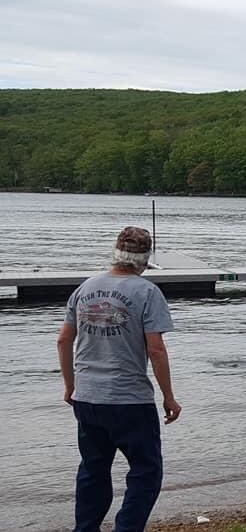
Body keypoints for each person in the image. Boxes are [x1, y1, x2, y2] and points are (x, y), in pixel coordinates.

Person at [57, 226, 181, 532]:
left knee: (93, 469)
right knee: (145, 471)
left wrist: (70, 385)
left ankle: (85, 528)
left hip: (87, 397)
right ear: (145, 259)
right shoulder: (147, 292)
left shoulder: (85, 288)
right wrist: (168, 396)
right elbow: (156, 349)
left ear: (115, 251)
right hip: (129, 400)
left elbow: (63, 340)